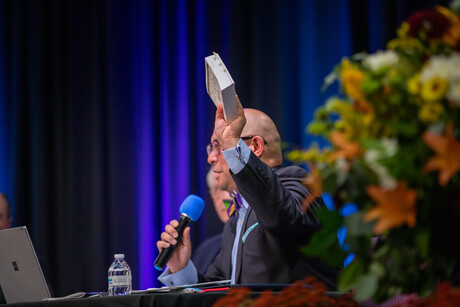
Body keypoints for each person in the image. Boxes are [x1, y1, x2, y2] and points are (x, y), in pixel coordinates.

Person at [156, 96, 339, 289]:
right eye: (212, 147)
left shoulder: (297, 183)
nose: (210, 158)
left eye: (219, 146)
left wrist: (233, 145)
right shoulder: (235, 222)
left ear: (256, 147)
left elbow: (280, 215)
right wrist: (181, 268)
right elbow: (216, 292)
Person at [192, 168, 229, 275]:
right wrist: (179, 269)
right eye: (218, 189)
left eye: (228, 188)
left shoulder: (261, 241)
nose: (226, 198)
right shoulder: (205, 250)